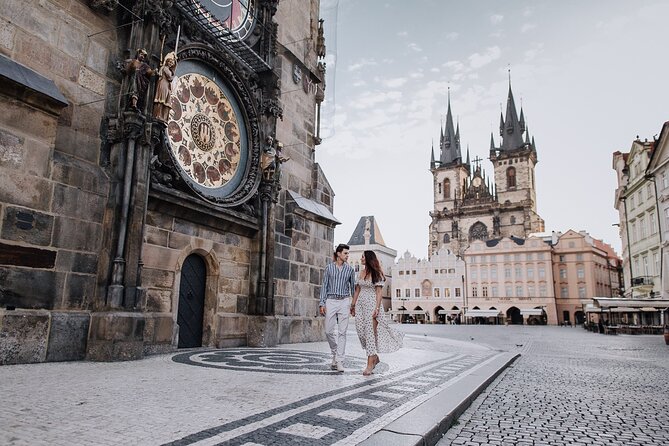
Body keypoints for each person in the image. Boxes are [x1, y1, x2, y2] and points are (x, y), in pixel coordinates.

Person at [350, 251, 404, 376]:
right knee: (360, 331)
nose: (361, 258)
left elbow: (379, 292)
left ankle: (369, 364)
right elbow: (357, 290)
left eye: (363, 256)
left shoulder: (377, 273)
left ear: (368, 258)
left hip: (372, 305)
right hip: (360, 305)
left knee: (370, 333)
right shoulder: (361, 273)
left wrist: (377, 308)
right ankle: (374, 356)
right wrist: (352, 305)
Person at [319, 243, 356, 373]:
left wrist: (353, 305)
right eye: (345, 253)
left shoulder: (350, 270)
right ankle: (335, 352)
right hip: (331, 300)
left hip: (344, 301)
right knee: (328, 331)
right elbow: (324, 286)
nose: (347, 256)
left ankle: (339, 360)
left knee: (342, 332)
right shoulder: (329, 268)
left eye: (348, 253)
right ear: (338, 254)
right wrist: (322, 303)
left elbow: (353, 288)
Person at [153, 52, 177, 123]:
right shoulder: (165, 68)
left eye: (172, 63)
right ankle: (158, 115)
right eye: (169, 62)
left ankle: (162, 116)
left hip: (166, 85)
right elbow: (170, 78)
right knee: (161, 99)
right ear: (167, 62)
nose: (170, 63)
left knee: (165, 100)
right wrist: (174, 77)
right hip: (163, 84)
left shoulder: (168, 69)